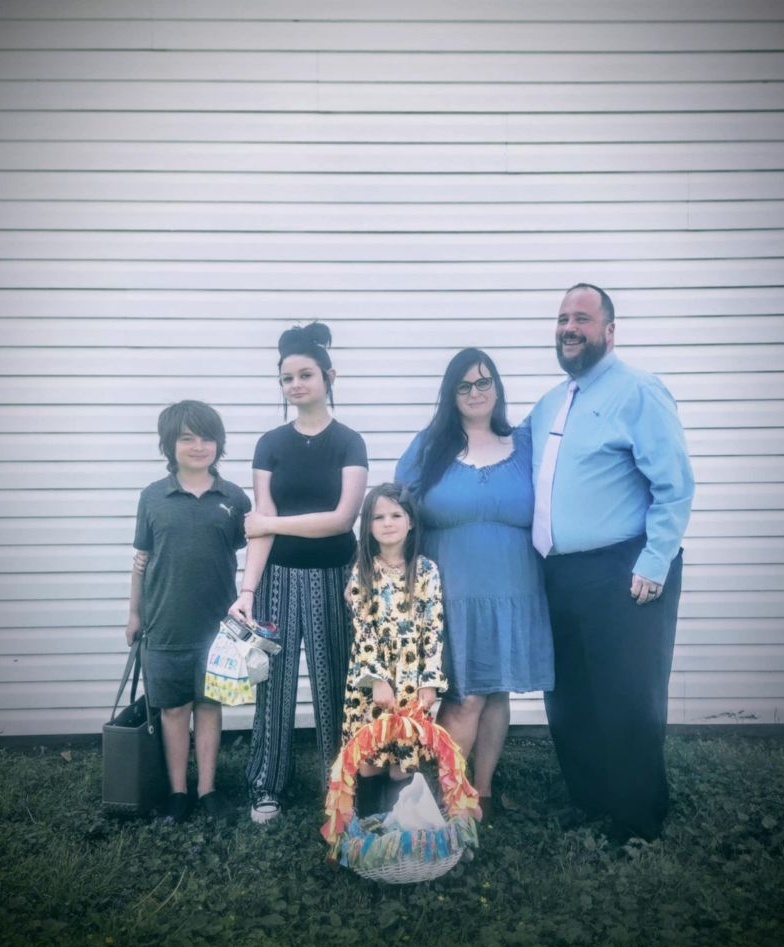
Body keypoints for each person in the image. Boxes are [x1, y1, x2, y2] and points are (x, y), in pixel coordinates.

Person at [530, 283, 694, 842]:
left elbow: (675, 486)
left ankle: (637, 817)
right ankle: (591, 799)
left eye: (582, 318)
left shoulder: (639, 391)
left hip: (625, 569)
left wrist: (655, 561)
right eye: (562, 318)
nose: (568, 328)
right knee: (570, 697)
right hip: (559, 574)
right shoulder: (551, 403)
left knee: (627, 698)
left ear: (609, 330)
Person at [396, 348, 554, 818]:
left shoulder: (525, 445)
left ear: (497, 389)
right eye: (464, 385)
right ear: (450, 394)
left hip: (514, 591)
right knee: (465, 697)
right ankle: (446, 800)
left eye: (484, 382)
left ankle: (481, 791)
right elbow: (395, 512)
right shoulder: (429, 447)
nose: (475, 392)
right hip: (450, 594)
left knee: (496, 691)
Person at [228, 322, 368, 824]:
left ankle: (342, 784)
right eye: (287, 378)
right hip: (278, 579)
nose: (295, 385)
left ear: (329, 376)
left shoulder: (349, 442)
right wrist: (247, 589)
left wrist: (271, 523)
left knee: (338, 682)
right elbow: (260, 522)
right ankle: (266, 784)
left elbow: (342, 519)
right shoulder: (270, 444)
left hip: (337, 578)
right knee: (275, 683)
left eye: (305, 374)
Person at [126, 400, 250, 824]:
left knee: (209, 705)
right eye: (187, 438)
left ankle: (207, 790)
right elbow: (141, 562)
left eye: (207, 438)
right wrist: (134, 615)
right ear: (169, 445)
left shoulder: (233, 498)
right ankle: (178, 793)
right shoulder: (152, 498)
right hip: (164, 625)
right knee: (174, 710)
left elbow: (250, 551)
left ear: (219, 444)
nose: (199, 446)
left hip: (216, 630)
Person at [343, 483, 447, 814]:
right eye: (378, 517)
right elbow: (363, 630)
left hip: (410, 679)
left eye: (396, 515)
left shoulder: (426, 570)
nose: (387, 523)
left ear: (410, 521)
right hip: (371, 679)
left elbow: (434, 627)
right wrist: (377, 680)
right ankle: (369, 828)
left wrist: (429, 681)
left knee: (403, 758)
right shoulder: (363, 570)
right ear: (368, 526)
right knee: (371, 757)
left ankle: (400, 828)